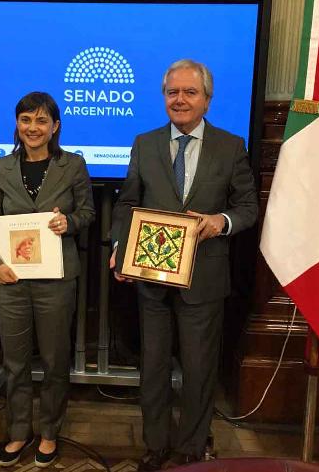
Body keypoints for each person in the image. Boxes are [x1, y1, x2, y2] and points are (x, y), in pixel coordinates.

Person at [111, 59, 258, 470]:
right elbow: (127, 202)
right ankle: (155, 446)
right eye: (172, 92)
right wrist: (121, 245)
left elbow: (248, 207)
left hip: (205, 279)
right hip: (151, 277)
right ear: (164, 97)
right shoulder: (145, 143)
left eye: (189, 92)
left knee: (198, 370)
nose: (180, 100)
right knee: (153, 369)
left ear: (207, 100)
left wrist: (220, 222)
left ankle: (192, 448)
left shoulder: (231, 147)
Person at [0, 91, 95, 468]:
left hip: (56, 281)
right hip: (9, 280)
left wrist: (70, 222)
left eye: (41, 120)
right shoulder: (0, 169)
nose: (33, 127)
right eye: (26, 119)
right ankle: (17, 432)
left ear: (55, 127)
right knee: (15, 362)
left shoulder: (73, 166)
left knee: (55, 359)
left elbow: (88, 213)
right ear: (17, 124)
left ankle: (48, 432)